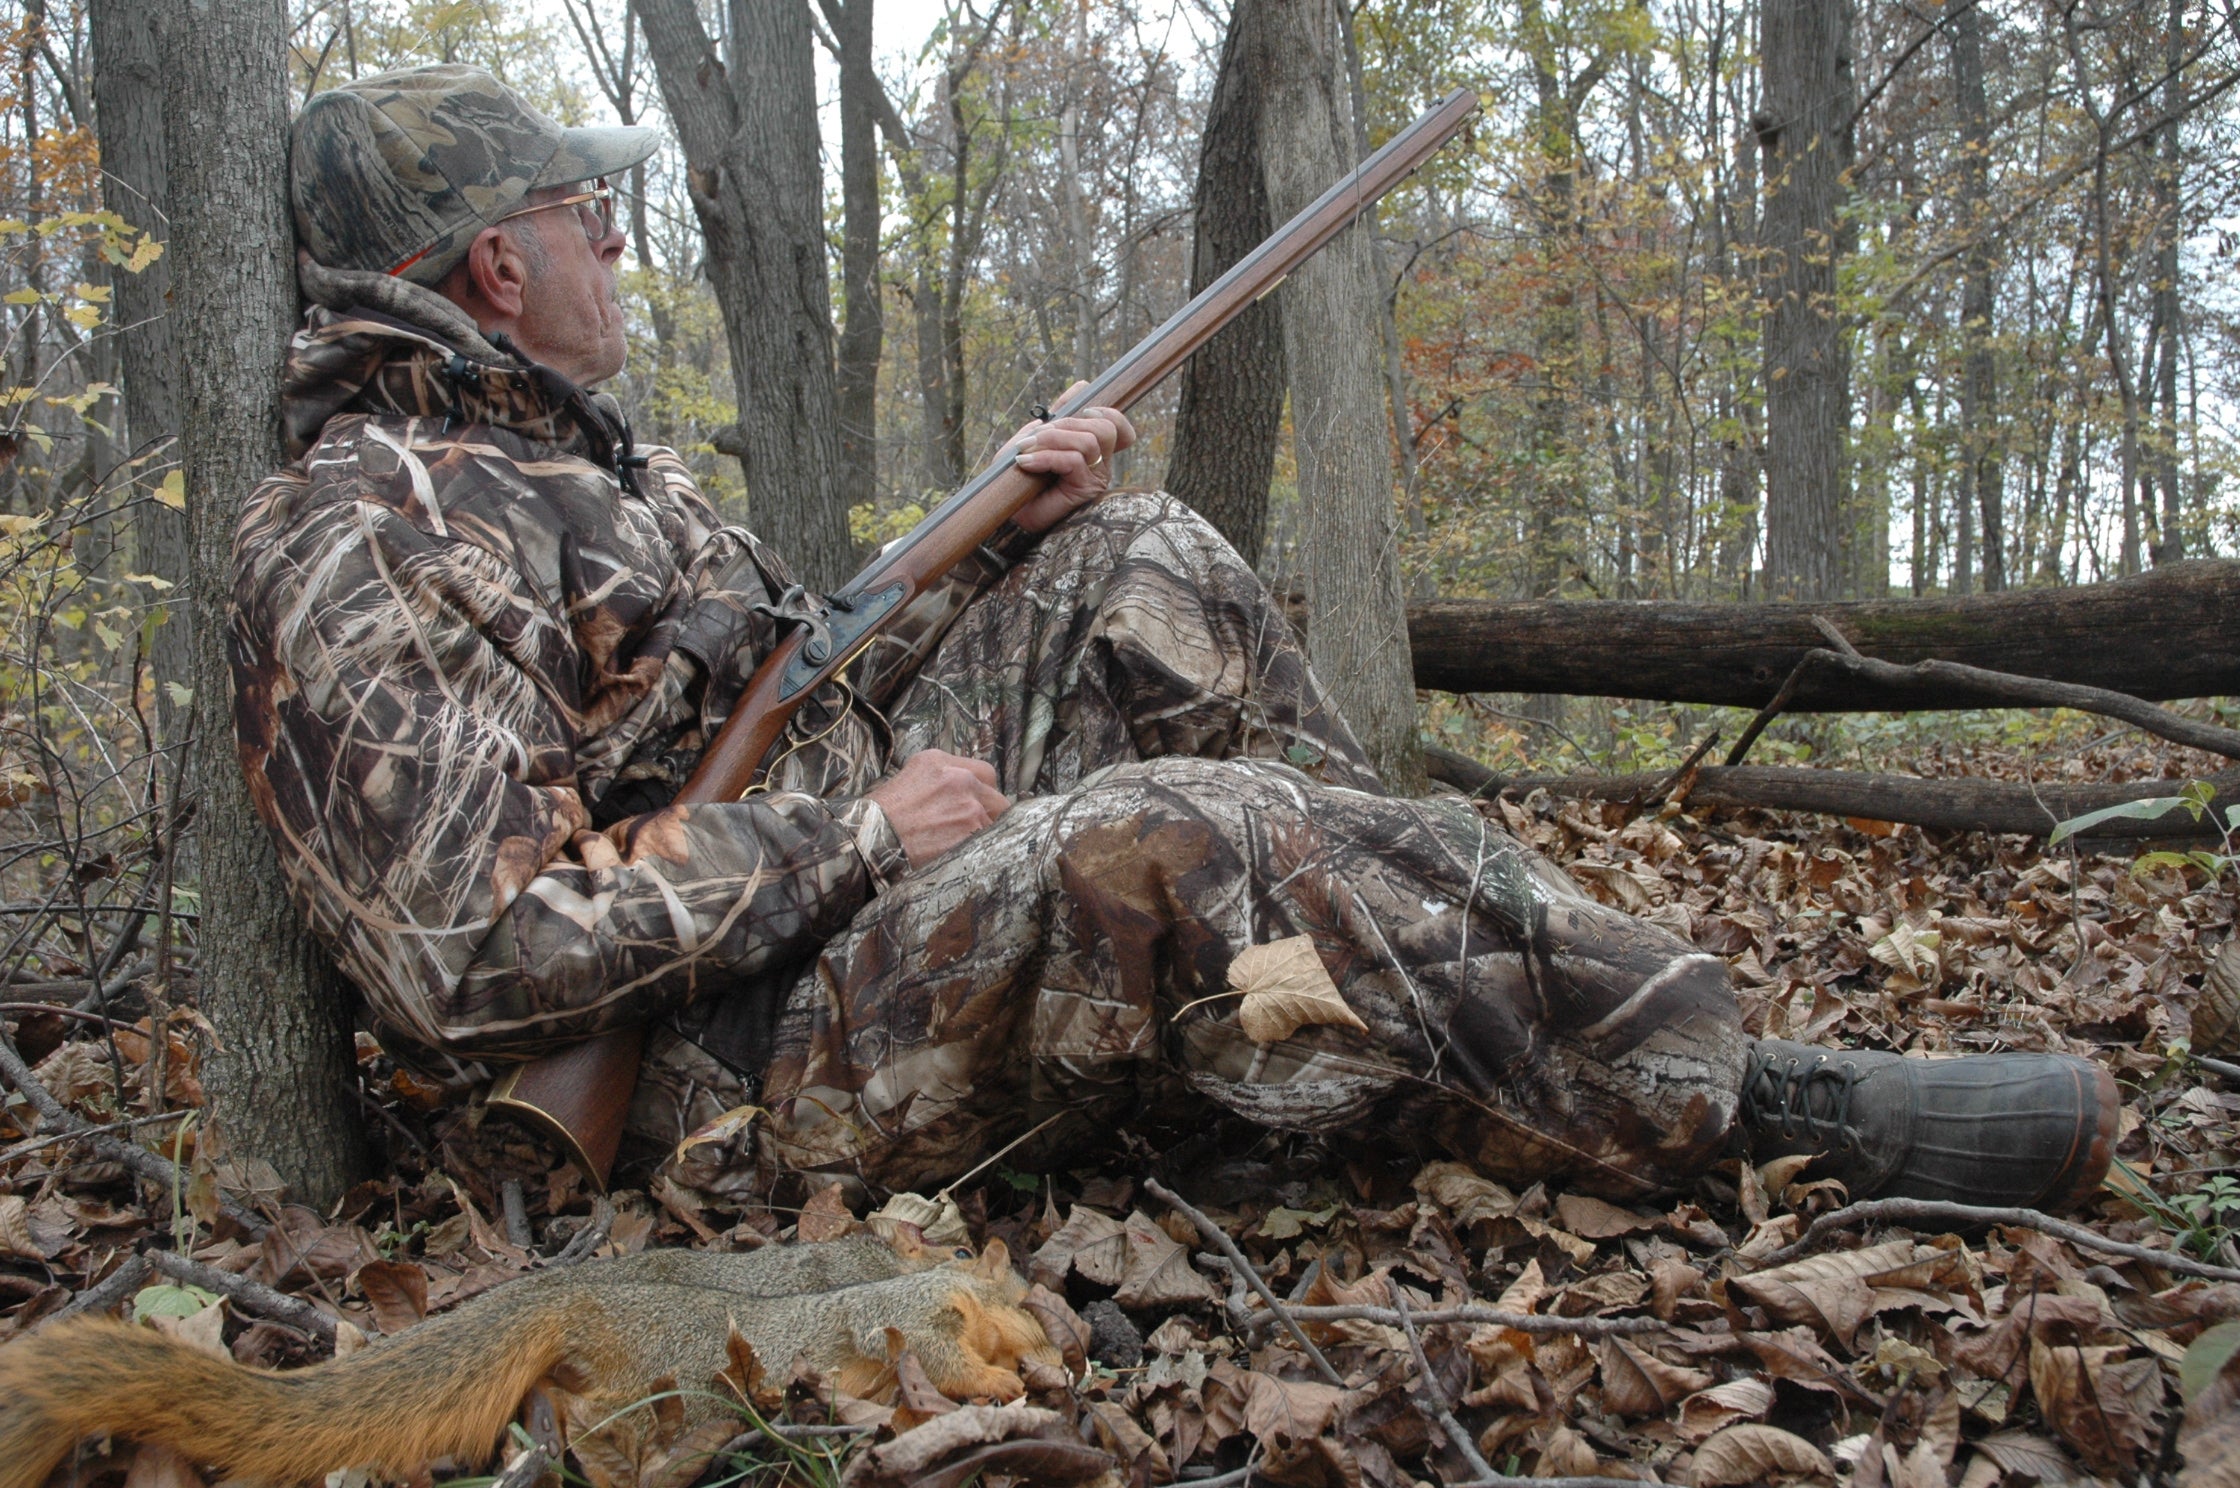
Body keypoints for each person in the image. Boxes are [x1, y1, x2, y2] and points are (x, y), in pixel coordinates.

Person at [234, 64, 2118, 1217]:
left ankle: (1396, 1008)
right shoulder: (363, 535)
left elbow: (799, 683)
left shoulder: (577, 472)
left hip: (817, 915)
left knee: (1141, 555)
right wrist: (858, 840)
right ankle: (1747, 1107)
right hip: (718, 1063)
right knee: (1179, 827)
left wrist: (995, 543)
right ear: (495, 264)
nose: (618, 248)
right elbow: (469, 955)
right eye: (592, 218)